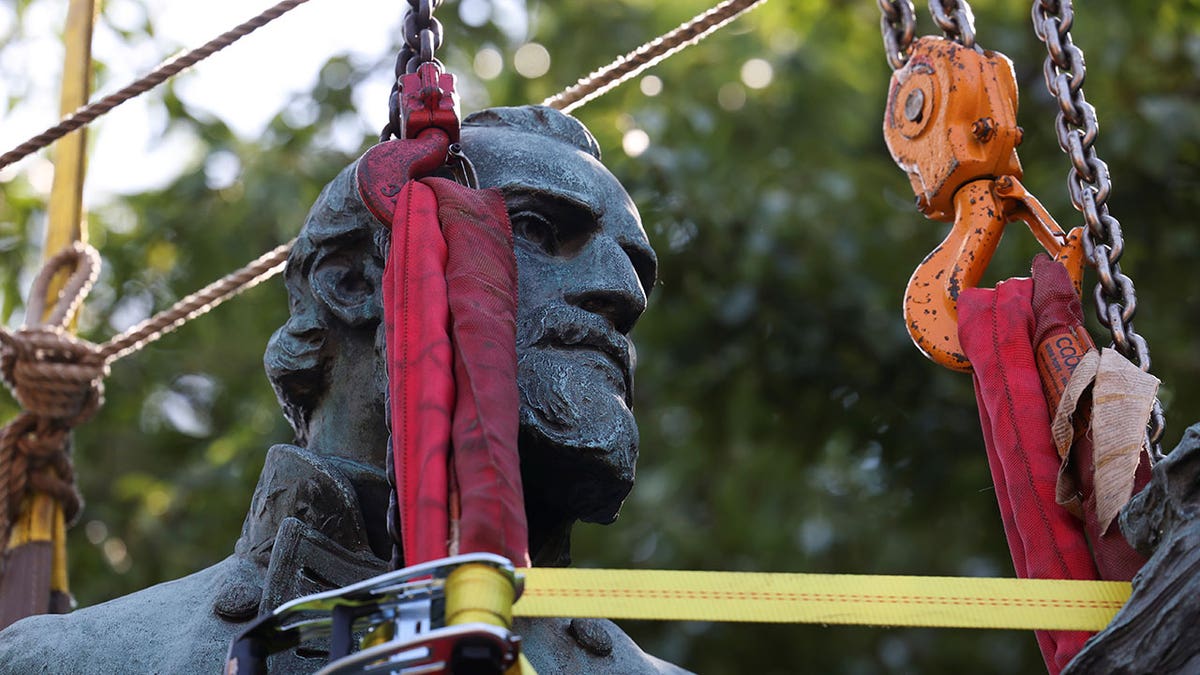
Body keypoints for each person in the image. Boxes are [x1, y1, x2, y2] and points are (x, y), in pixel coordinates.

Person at [0, 106, 685, 674]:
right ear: (353, 282)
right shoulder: (64, 662)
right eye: (538, 228)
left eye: (635, 269)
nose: (623, 293)